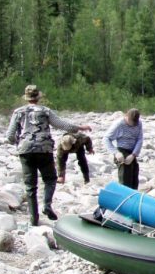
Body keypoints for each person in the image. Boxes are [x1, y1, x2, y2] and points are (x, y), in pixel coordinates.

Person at [6, 85, 92, 225]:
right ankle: (47, 205)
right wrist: (80, 127)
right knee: (50, 179)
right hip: (44, 149)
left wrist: (19, 142)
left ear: (26, 98)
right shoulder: (45, 111)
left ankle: (34, 219)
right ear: (38, 97)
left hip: (25, 150)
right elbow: (62, 125)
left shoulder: (18, 112)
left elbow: (9, 135)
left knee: (30, 186)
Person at [104, 108, 143, 190]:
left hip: (132, 151)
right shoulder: (119, 124)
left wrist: (133, 154)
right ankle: (124, 194)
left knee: (134, 176)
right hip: (122, 150)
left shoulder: (138, 123)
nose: (133, 124)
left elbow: (140, 139)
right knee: (126, 175)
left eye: (135, 122)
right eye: (131, 122)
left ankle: (133, 194)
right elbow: (106, 138)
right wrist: (116, 153)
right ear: (127, 116)